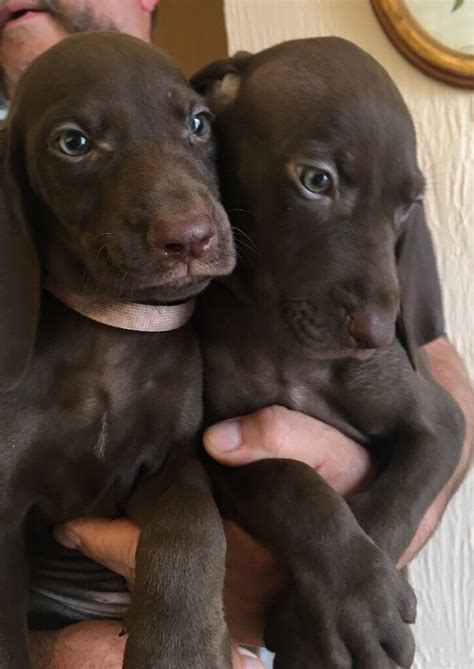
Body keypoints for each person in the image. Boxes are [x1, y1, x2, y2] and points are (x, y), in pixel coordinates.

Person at [1, 1, 472, 667]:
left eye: (192, 126)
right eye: (73, 141)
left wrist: (362, 555)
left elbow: (437, 375)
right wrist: (56, 651)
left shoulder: (246, 117)